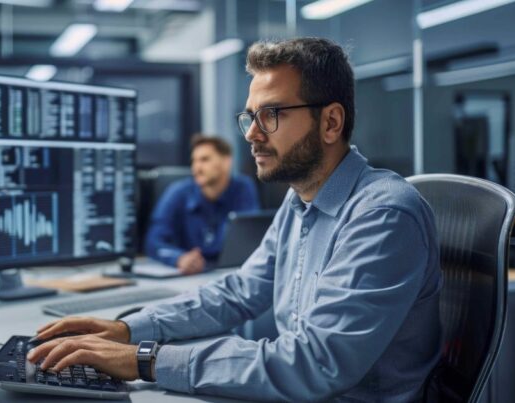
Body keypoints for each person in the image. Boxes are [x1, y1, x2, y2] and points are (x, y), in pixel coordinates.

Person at [26, 37, 442, 401]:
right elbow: (239, 293)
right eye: (250, 116)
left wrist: (145, 359)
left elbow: (315, 364)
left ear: (331, 122)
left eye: (272, 114)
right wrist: (128, 329)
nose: (251, 134)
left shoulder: (383, 215)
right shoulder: (300, 202)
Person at [144, 134, 260, 275]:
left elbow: (249, 238)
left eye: (205, 160)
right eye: (194, 161)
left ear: (226, 161)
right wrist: (179, 258)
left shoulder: (243, 187)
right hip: (189, 275)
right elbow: (153, 241)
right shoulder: (177, 192)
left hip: (228, 272)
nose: (196, 168)